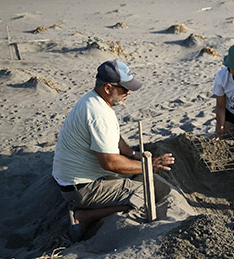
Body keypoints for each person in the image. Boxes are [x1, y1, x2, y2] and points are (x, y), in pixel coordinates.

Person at [52, 60, 177, 241]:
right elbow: (110, 163)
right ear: (108, 88)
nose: (129, 92)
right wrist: (148, 165)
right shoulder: (99, 114)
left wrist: (132, 155)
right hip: (80, 188)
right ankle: (84, 216)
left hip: (73, 179)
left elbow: (114, 139)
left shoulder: (93, 100)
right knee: (146, 195)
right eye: (124, 88)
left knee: (143, 179)